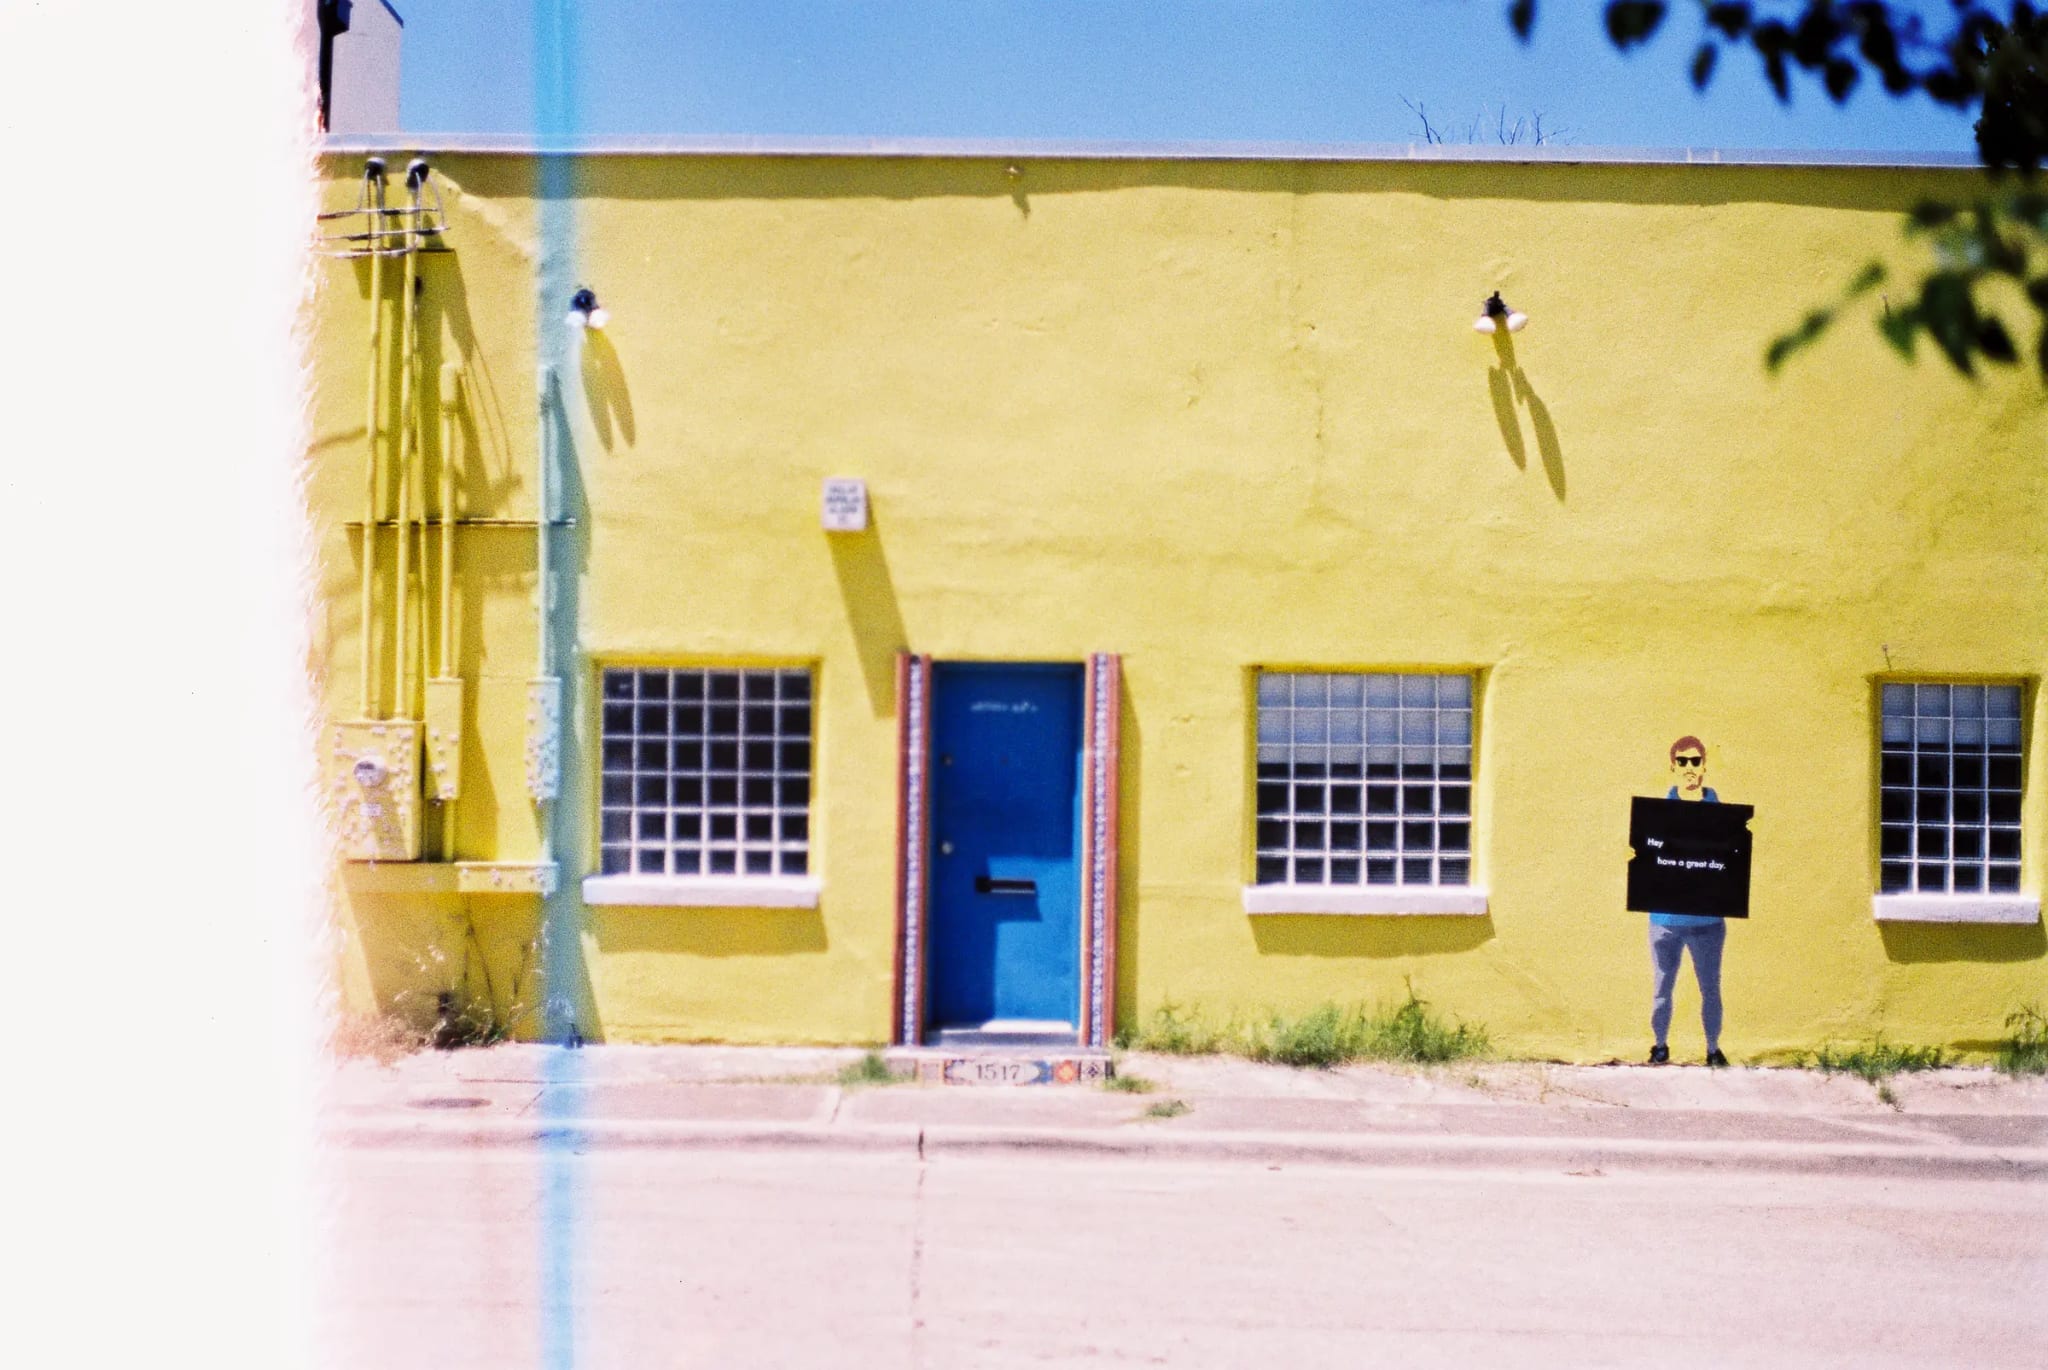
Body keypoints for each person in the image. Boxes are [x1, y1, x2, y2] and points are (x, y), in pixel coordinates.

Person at [1647, 735, 1731, 1067]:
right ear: (1673, 766)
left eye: (1695, 761)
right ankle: (1660, 1045)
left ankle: (1712, 1049)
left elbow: (1729, 861)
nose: (1689, 768)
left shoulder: (1722, 816)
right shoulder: (1656, 815)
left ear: (1705, 766)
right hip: (1664, 920)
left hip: (1708, 921)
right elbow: (1647, 858)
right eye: (1682, 761)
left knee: (1710, 988)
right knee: (1662, 988)